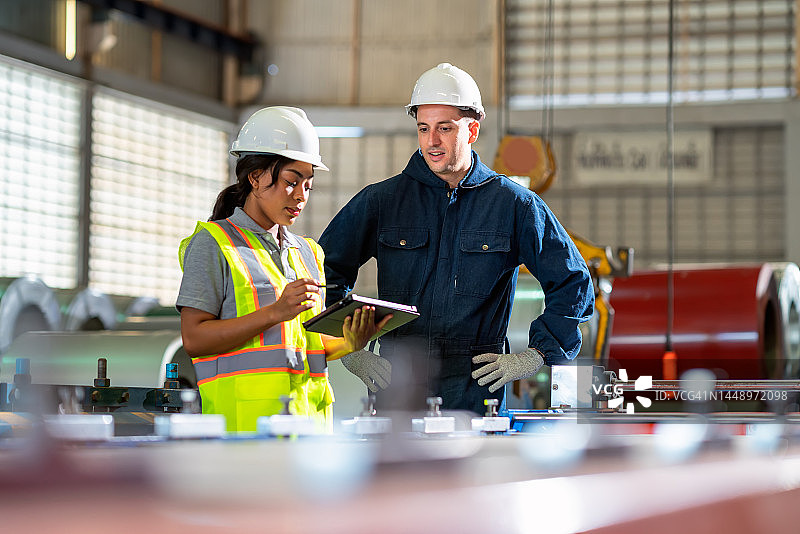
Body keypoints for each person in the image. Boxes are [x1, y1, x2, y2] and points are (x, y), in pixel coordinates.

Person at [319, 63, 594, 415]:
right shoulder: (382, 201)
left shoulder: (514, 205)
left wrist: (536, 354)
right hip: (399, 378)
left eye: (445, 128)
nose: (432, 141)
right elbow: (322, 271)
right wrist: (348, 346)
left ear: (472, 130)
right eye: (423, 128)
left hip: (477, 384)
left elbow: (573, 282)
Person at [177, 106, 389, 432]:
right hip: (244, 433)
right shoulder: (214, 244)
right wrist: (275, 312)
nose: (301, 196)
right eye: (291, 182)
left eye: (308, 184)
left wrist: (351, 341)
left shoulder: (308, 253)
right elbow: (193, 338)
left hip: (310, 431)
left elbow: (309, 345)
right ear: (256, 177)